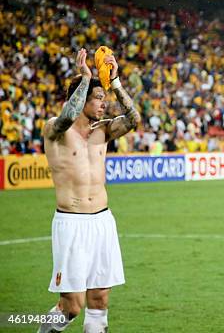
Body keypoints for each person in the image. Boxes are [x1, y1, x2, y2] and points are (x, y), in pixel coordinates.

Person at [38, 48, 141, 332]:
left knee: (100, 300)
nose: (103, 105)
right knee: (71, 306)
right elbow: (66, 117)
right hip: (71, 223)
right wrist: (85, 78)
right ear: (80, 98)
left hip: (102, 222)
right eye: (98, 98)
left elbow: (133, 119)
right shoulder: (54, 130)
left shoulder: (104, 130)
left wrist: (115, 82)